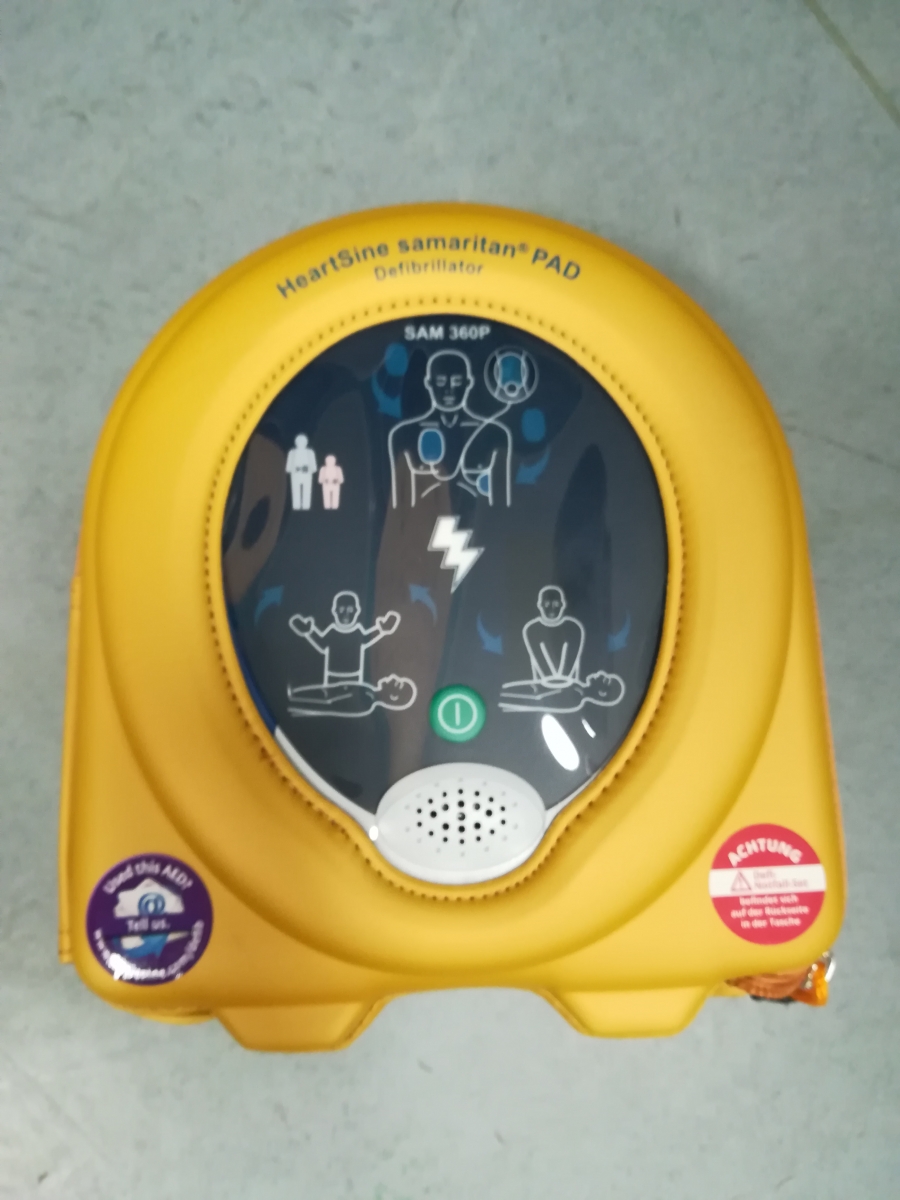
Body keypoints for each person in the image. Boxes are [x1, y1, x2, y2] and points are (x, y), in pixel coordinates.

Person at [289, 590, 400, 685]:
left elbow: (368, 639)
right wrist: (308, 632)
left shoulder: (357, 632)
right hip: (333, 676)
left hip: (354, 676)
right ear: (335, 611)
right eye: (341, 610)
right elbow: (321, 643)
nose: (346, 613)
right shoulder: (332, 631)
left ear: (356, 611)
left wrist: (382, 630)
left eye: (350, 610)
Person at [285, 433, 317, 510]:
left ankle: (306, 506)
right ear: (296, 442)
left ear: (306, 442)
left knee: (307, 490)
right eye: (299, 441)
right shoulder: (292, 452)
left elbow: (313, 465)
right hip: (295, 473)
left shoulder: (310, 452)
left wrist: (311, 469)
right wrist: (290, 469)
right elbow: (289, 465)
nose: (301, 443)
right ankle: (296, 506)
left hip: (307, 474)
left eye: (303, 441)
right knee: (295, 490)